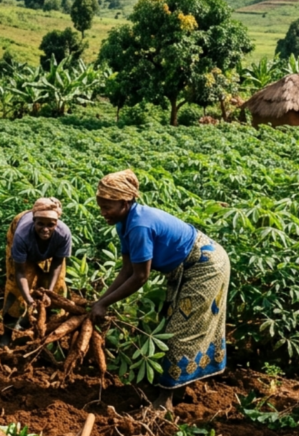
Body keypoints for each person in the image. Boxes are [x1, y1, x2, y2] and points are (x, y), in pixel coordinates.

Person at [89, 170, 231, 410]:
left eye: (107, 207)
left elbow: (140, 277)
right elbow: (127, 270)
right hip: (186, 267)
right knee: (172, 321)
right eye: (100, 206)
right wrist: (100, 302)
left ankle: (165, 400)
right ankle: (175, 386)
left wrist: (103, 304)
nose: (103, 212)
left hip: (206, 266)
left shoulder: (139, 226)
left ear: (125, 203)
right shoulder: (124, 223)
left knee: (180, 331)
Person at [0, 197, 72, 347]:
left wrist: (49, 293)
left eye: (50, 224)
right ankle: (7, 332)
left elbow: (57, 264)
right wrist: (29, 300)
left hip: (49, 252)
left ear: (56, 223)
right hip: (23, 249)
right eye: (40, 224)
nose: (45, 229)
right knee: (16, 289)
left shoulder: (63, 234)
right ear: (34, 221)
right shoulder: (21, 235)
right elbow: (20, 273)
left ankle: (53, 331)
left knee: (58, 287)